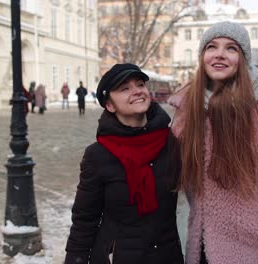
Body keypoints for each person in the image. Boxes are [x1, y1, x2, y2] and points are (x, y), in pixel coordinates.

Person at [168, 21, 258, 264]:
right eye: (211, 47)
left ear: (243, 59)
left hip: (250, 254)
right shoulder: (187, 110)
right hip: (200, 249)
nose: (220, 54)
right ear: (202, 57)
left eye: (231, 48)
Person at [65, 63, 183, 264]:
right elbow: (84, 220)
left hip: (167, 255)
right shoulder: (98, 155)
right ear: (109, 105)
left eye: (140, 85)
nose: (136, 92)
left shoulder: (172, 143)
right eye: (124, 89)